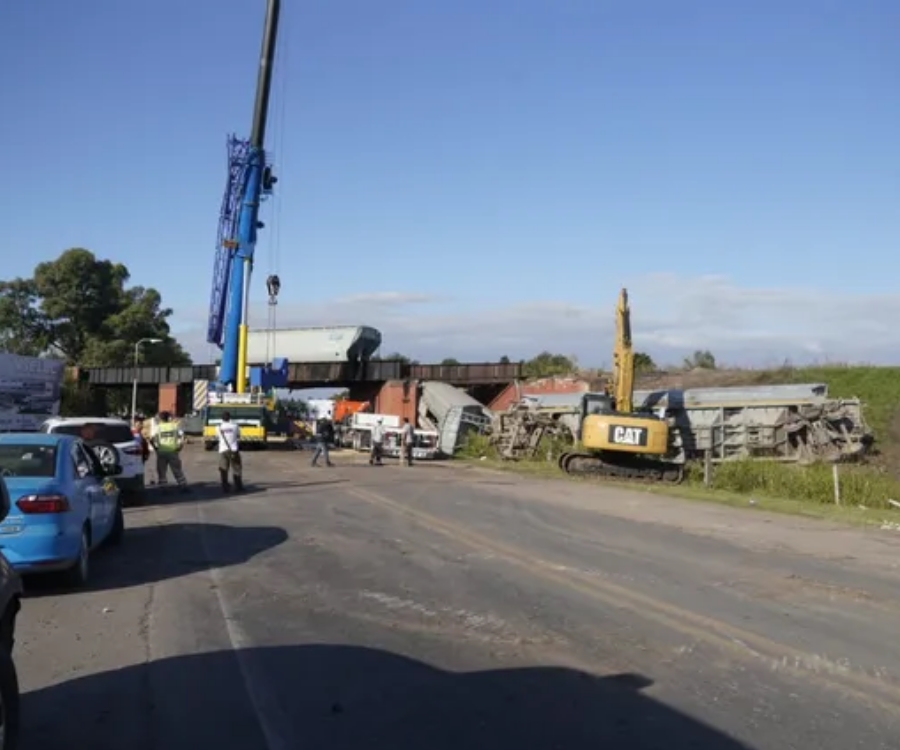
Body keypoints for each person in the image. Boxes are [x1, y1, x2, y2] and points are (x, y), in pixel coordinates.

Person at [150, 411, 190, 493]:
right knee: (177, 470)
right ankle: (183, 486)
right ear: (168, 418)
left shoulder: (158, 427)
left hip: (161, 452)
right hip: (173, 451)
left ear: (160, 418)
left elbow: (151, 439)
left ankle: (164, 489)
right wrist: (180, 447)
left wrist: (156, 448)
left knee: (162, 471)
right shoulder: (174, 426)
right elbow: (182, 436)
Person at [216, 410, 243, 492]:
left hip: (223, 450)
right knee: (237, 468)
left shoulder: (218, 427)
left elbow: (218, 437)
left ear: (222, 418)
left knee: (224, 469)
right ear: (229, 418)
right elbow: (238, 436)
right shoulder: (235, 426)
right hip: (234, 450)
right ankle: (238, 487)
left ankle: (225, 487)